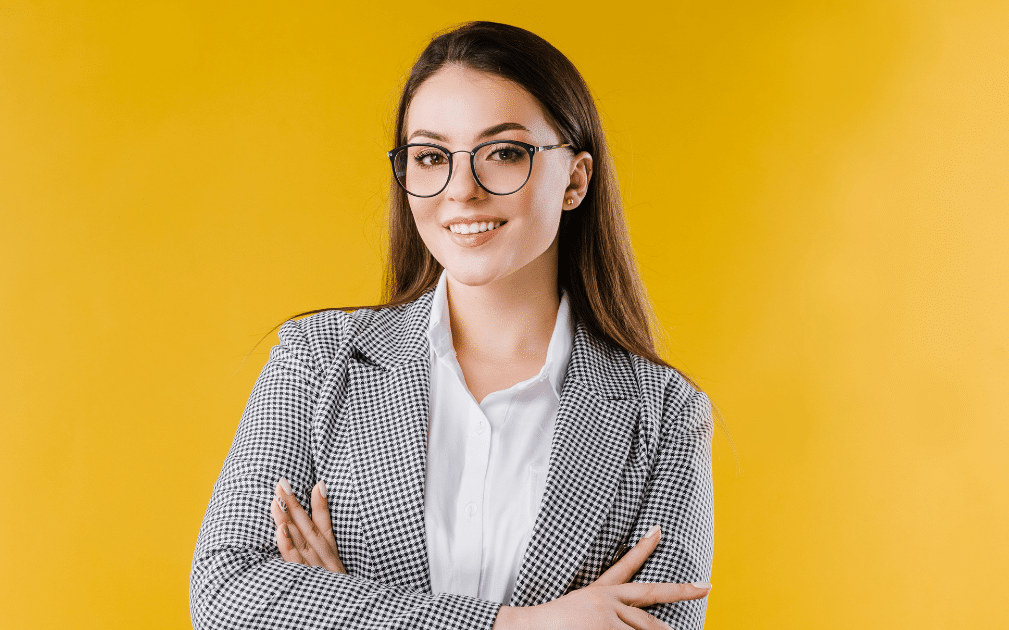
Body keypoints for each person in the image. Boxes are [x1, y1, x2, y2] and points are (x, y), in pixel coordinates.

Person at [190, 21, 715, 630]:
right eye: (431, 157)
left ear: (575, 179)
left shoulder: (665, 413)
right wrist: (520, 625)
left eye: (505, 153)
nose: (462, 191)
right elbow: (226, 596)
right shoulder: (320, 358)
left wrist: (341, 604)